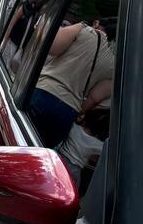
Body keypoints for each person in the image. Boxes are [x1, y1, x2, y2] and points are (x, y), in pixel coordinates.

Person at [27, 16, 114, 148]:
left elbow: (52, 45)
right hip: (67, 112)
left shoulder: (85, 31)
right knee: (39, 154)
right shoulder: (115, 65)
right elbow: (94, 97)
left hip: (43, 93)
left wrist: (79, 25)